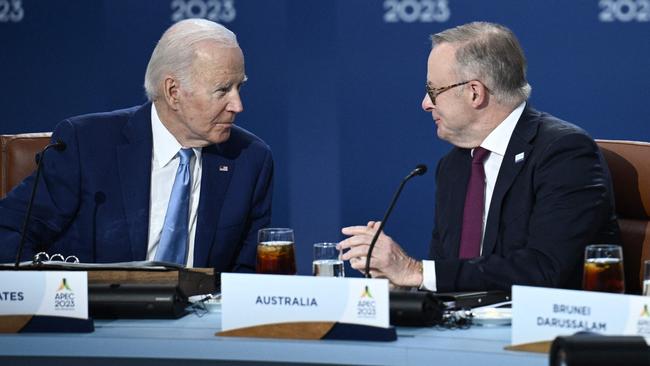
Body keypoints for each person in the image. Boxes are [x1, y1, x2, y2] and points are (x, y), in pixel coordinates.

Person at [338, 22, 619, 292]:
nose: (425, 104)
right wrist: (406, 283)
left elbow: (545, 269)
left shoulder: (563, 153)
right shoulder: (454, 166)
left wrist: (415, 271)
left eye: (433, 90)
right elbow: (449, 274)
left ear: (475, 92)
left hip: (541, 334)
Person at [0, 19, 273, 272]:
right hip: (100, 316)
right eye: (223, 90)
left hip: (200, 320)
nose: (237, 105)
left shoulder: (250, 160)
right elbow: (8, 232)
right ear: (173, 92)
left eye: (239, 87)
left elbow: (247, 275)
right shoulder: (87, 145)